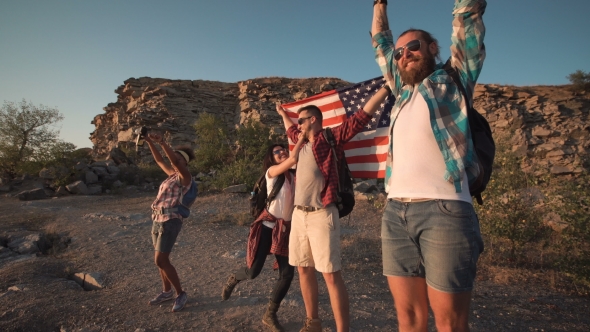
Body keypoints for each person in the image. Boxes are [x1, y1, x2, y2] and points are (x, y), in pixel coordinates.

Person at [371, 0, 487, 331]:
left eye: (412, 47)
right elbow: (381, 44)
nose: (404, 55)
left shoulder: (453, 80)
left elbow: (467, 24)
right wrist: (380, 6)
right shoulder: (402, 92)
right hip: (395, 213)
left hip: (446, 211)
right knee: (408, 317)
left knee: (449, 322)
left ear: (432, 48)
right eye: (400, 52)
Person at [275, 87, 389, 332]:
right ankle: (313, 322)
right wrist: (282, 112)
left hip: (322, 214)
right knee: (304, 269)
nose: (298, 125)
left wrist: (385, 90)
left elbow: (360, 118)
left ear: (313, 120)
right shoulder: (299, 141)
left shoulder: (330, 139)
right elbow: (289, 128)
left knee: (330, 274)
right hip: (299, 215)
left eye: (301, 120)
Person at [221, 136, 305, 332]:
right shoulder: (272, 173)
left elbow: (300, 163)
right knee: (253, 272)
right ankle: (235, 277)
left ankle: (270, 314)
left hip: (284, 230)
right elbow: (293, 159)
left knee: (287, 274)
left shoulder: (294, 176)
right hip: (267, 226)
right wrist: (301, 137)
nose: (282, 152)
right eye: (277, 151)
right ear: (271, 158)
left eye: (284, 149)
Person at [144, 132, 195, 312]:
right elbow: (160, 161)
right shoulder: (171, 175)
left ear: (185, 162)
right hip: (158, 218)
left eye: (179, 158)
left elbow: (172, 161)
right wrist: (150, 142)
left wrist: (163, 142)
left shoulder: (185, 176)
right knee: (160, 260)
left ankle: (180, 293)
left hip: (170, 220)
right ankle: (166, 292)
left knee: (161, 260)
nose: (175, 160)